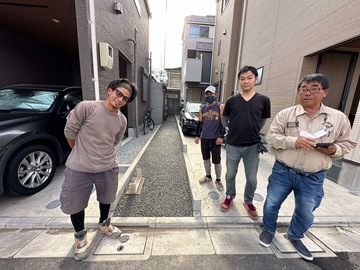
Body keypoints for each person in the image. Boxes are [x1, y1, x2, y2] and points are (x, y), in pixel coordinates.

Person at [259, 73, 356, 261]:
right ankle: (269, 230)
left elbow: (348, 144)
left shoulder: (338, 118)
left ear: (325, 92)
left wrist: (334, 149)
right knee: (272, 204)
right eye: (303, 89)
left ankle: (294, 235)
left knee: (305, 212)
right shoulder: (286, 114)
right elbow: (271, 137)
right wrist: (294, 141)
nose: (307, 93)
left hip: (313, 175)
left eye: (314, 89)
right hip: (283, 171)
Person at [60, 78, 138, 261]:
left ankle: (104, 224)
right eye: (118, 93)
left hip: (107, 166)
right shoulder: (87, 107)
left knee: (107, 198)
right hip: (79, 167)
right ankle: (80, 236)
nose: (120, 99)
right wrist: (80, 152)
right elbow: (70, 132)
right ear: (110, 90)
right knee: (75, 203)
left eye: (125, 98)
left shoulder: (122, 120)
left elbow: (115, 142)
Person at [220, 65, 271, 219]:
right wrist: (231, 129)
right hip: (233, 144)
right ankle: (229, 196)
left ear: (256, 79)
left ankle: (248, 201)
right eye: (242, 79)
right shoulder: (232, 101)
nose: (246, 81)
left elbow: (262, 121)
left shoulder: (263, 100)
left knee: (252, 178)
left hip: (253, 146)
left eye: (249, 78)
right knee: (230, 174)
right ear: (239, 81)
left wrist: (253, 130)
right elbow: (224, 119)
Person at [195, 85, 225, 191]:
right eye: (207, 94)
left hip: (216, 139)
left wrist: (221, 136)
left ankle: (218, 179)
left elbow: (224, 123)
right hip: (205, 138)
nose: (209, 96)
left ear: (215, 95)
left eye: (211, 94)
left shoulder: (220, 106)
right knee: (206, 158)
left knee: (217, 160)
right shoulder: (203, 108)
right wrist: (197, 135)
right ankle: (208, 176)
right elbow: (199, 123)